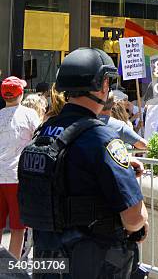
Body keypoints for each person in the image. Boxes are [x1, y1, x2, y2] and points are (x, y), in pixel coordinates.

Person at [17, 48, 148, 279]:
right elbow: (134, 219)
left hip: (48, 264)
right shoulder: (102, 138)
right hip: (93, 264)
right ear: (103, 84)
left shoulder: (44, 132)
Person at [0, 77, 40, 259]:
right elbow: (39, 141)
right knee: (18, 228)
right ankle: (12, 269)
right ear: (21, 94)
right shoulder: (29, 114)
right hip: (18, 177)